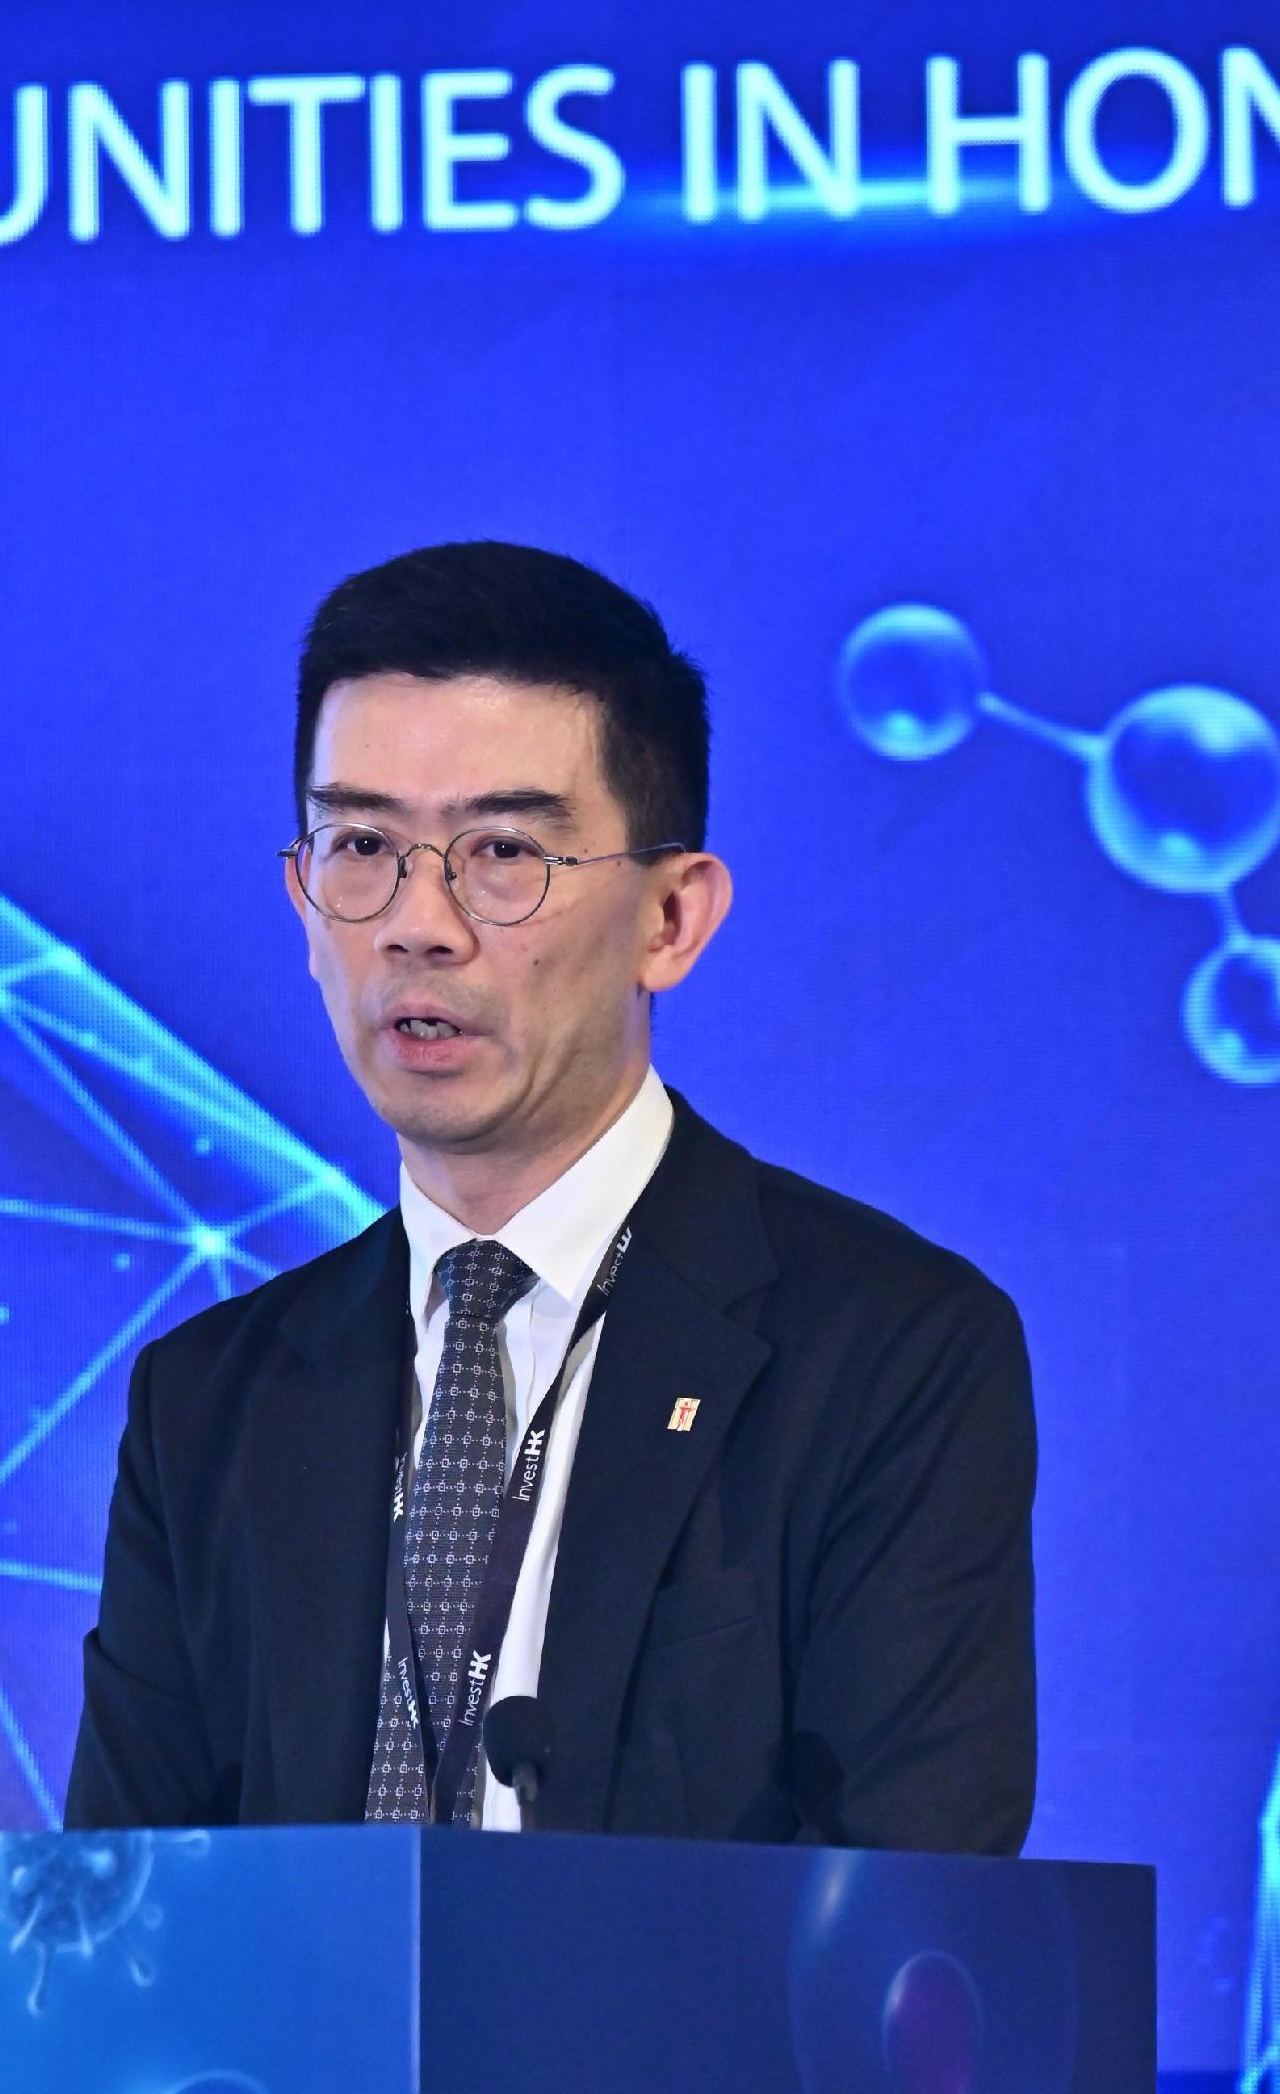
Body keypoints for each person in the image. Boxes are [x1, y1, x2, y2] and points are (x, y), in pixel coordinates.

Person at [64, 539, 1036, 1849]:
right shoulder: (208, 1403)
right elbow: (122, 1906)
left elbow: (904, 1908)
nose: (418, 923)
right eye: (363, 845)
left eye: (502, 853)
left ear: (671, 919)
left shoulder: (887, 1351)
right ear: (301, 900)